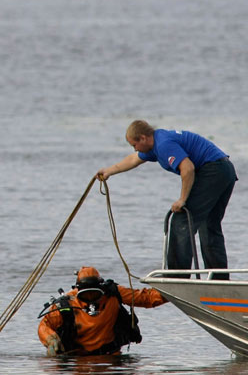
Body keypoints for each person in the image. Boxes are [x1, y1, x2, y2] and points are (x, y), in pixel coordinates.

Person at [97, 120, 237, 279]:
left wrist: (182, 199)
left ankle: (177, 276)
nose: (134, 148)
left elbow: (188, 168)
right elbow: (133, 159)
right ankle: (219, 279)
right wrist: (109, 171)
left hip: (213, 171)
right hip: (226, 170)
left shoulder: (163, 145)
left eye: (134, 144)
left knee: (181, 220)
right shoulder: (156, 142)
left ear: (143, 138)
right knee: (209, 225)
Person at [38, 267, 167, 357]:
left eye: (94, 294)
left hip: (111, 357)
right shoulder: (67, 304)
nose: (90, 300)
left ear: (102, 289)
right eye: (85, 296)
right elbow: (45, 325)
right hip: (77, 360)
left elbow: (146, 298)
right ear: (77, 292)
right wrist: (50, 339)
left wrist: (175, 291)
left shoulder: (113, 293)